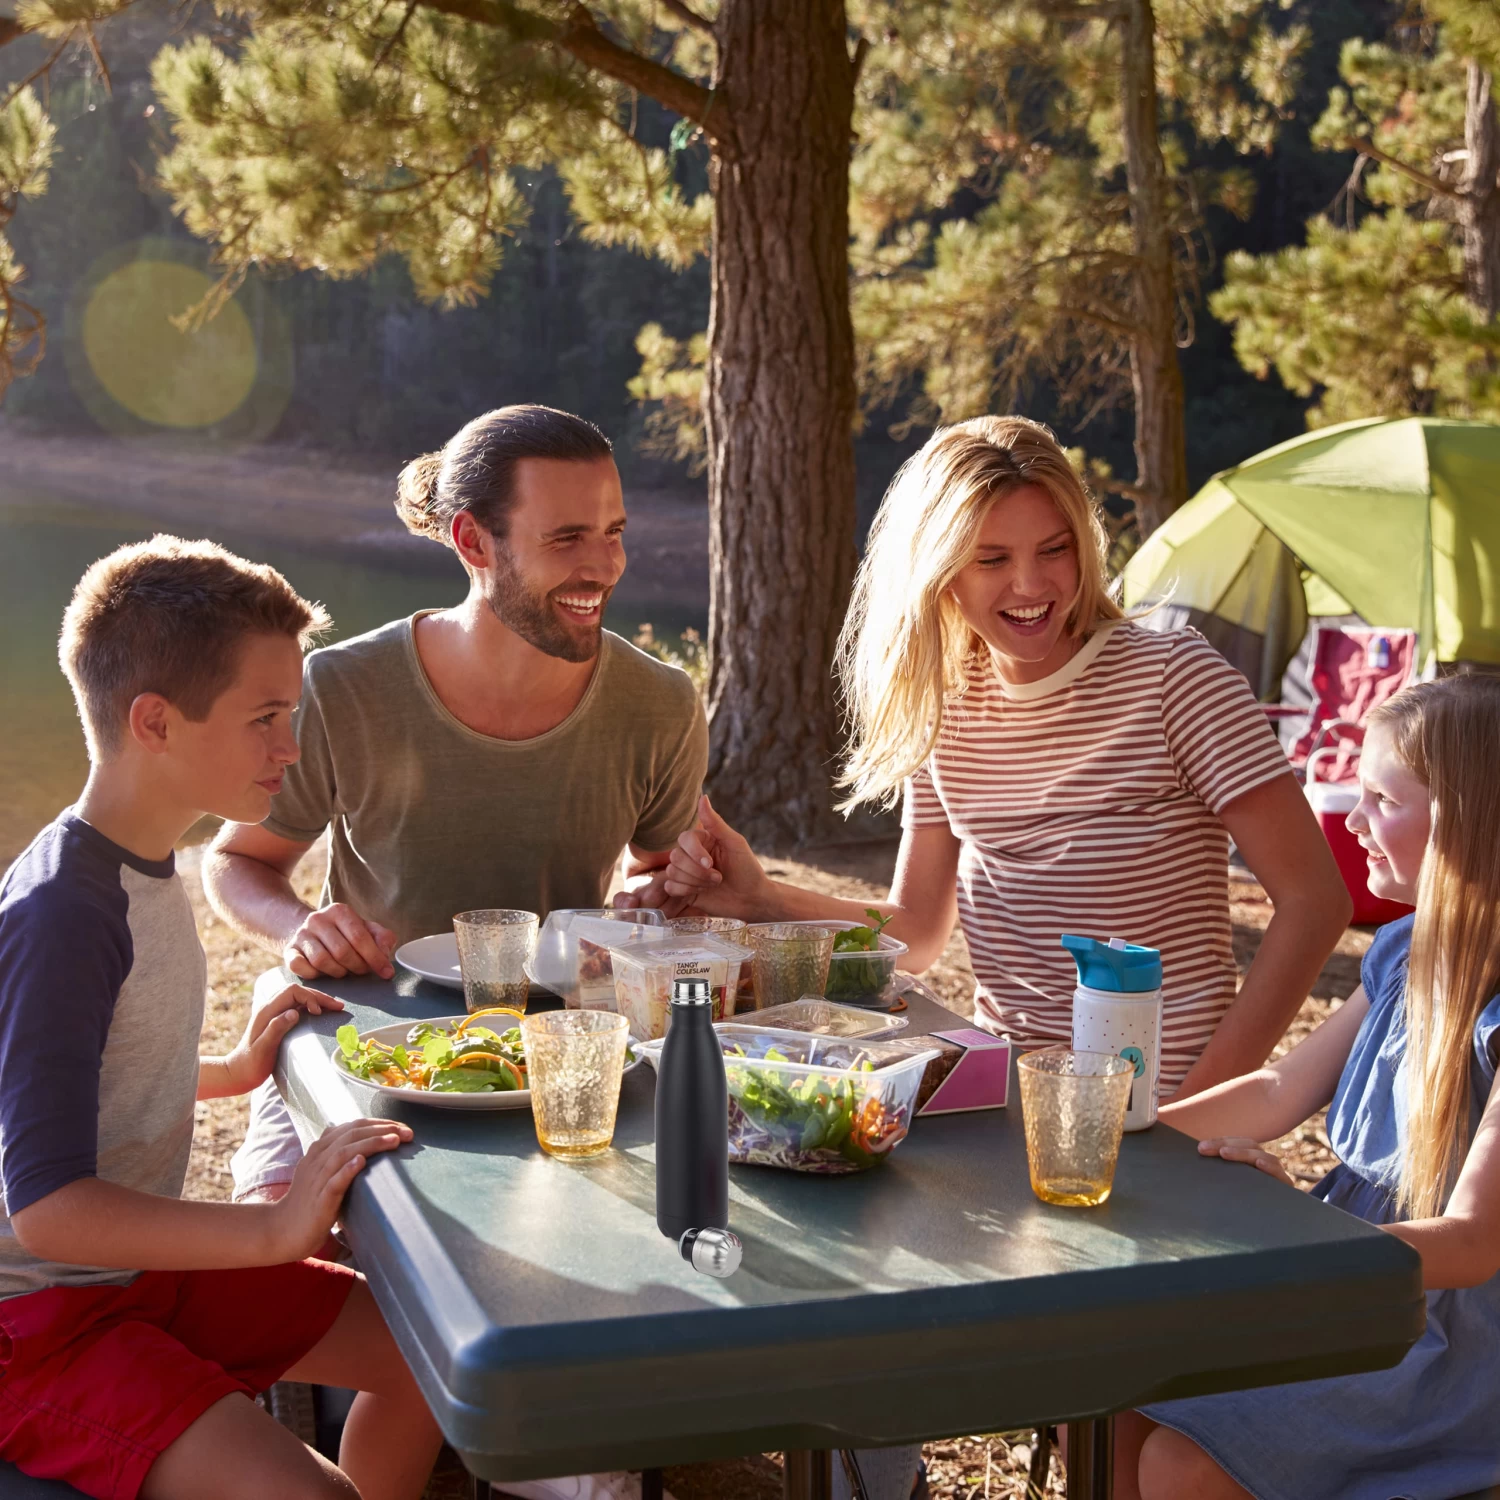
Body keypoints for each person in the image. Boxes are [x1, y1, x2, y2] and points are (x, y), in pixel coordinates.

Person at [654, 415, 1350, 1100]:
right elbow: (919, 932)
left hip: (1160, 1107)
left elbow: (1316, 903)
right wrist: (761, 898)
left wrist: (1195, 1113)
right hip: (1005, 1104)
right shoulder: (945, 700)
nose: (1031, 585)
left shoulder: (1174, 679)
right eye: (992, 559)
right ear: (940, 572)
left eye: (1055, 549)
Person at [0, 536, 441, 1500]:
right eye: (267, 717)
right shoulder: (65, 913)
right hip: (37, 1331)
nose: (291, 747)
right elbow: (45, 1206)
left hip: (136, 1280)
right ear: (154, 720)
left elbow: (67, 1071)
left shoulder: (140, 860)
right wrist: (274, 1228)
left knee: (431, 1358)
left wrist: (231, 1069)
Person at [205, 404, 707, 1205]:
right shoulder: (340, 686)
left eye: (614, 532)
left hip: (558, 1056)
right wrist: (300, 926)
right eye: (567, 538)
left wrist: (660, 898)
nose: (606, 566)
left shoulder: (661, 702)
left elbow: (656, 875)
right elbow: (238, 861)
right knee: (276, 1243)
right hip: (359, 1042)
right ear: (473, 542)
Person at [1130, 675, 1500, 1500]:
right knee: (1116, 1376)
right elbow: (1275, 1091)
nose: (1355, 821)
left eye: (1379, 798)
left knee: (1177, 1462)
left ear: (1469, 818)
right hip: (1353, 1280)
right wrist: (1122, 1134)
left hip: (1443, 1337)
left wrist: (1296, 1242)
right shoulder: (1404, 950)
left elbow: (1473, 1244)